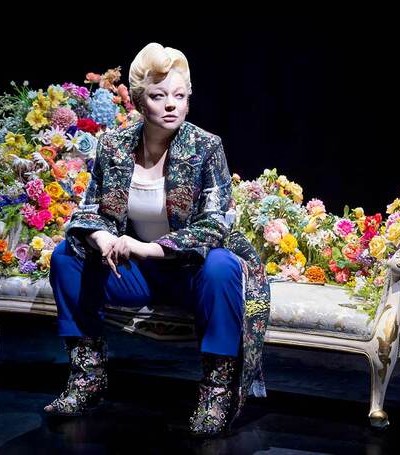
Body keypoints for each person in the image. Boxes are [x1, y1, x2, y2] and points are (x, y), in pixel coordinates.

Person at [43, 42, 271, 438]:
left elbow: (215, 223)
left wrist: (148, 247)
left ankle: (216, 391)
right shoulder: (114, 145)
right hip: (138, 273)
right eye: (159, 96)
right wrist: (101, 237)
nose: (171, 105)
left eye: (180, 96)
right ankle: (87, 376)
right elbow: (88, 208)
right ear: (138, 100)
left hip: (191, 273)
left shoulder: (205, 147)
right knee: (67, 256)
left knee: (221, 263)